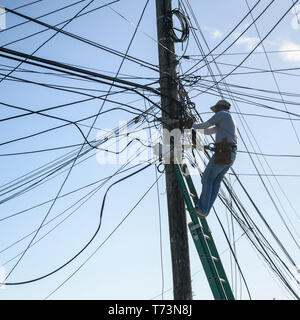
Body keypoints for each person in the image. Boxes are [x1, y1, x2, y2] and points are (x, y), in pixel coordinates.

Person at [192, 99, 237, 218]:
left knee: (206, 179)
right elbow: (208, 131)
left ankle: (202, 209)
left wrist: (191, 125)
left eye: (216, 108)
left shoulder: (221, 115)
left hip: (223, 152)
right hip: (231, 155)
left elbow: (205, 125)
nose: (215, 111)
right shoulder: (227, 120)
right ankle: (205, 211)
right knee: (215, 181)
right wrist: (194, 127)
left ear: (221, 107)